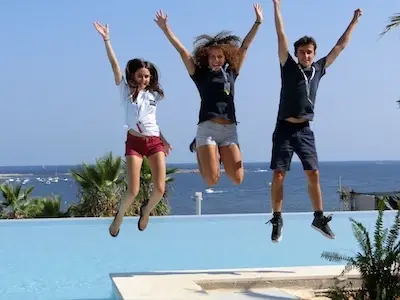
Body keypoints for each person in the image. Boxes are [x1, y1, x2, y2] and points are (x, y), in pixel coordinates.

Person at [268, 0, 362, 243]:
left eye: (309, 52)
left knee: (314, 173)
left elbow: (340, 46)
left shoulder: (319, 69)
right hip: (284, 128)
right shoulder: (287, 66)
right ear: (297, 53)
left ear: (314, 53)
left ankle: (318, 217)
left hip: (305, 129)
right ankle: (277, 218)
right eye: (302, 52)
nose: (306, 55)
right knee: (279, 174)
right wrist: (276, 6)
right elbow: (280, 34)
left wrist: (353, 21)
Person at [154, 4, 263, 186]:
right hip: (207, 129)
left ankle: (212, 151)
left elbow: (244, 47)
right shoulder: (200, 74)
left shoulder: (232, 73)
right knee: (211, 180)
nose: (216, 60)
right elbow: (183, 52)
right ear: (206, 58)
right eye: (212, 57)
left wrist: (258, 22)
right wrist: (166, 29)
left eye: (219, 56)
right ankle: (199, 146)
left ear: (226, 57)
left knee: (237, 179)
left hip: (229, 130)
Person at [93, 21, 172, 237]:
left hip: (154, 141)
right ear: (133, 76)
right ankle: (119, 217)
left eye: (147, 76)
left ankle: (146, 211)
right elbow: (114, 66)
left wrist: (164, 140)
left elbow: (151, 121)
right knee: (133, 190)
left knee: (159, 189)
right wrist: (107, 40)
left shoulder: (154, 95)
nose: (144, 80)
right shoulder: (125, 92)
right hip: (135, 143)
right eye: (140, 76)